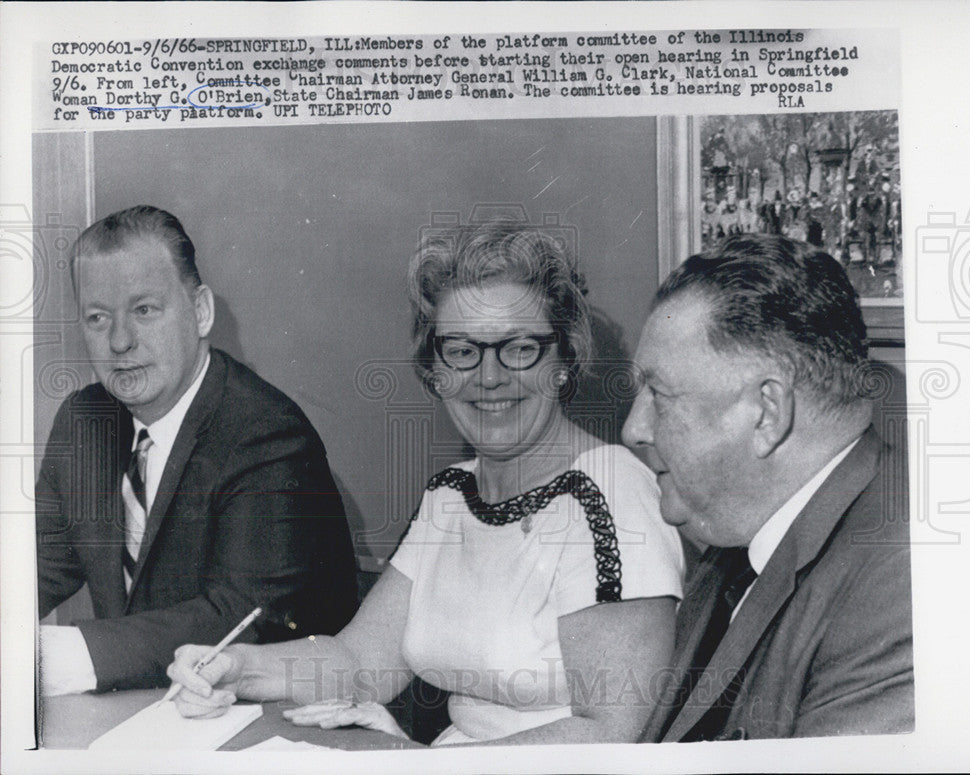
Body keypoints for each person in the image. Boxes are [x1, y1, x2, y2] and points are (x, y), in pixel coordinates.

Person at [167, 222, 685, 745]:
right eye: (461, 350)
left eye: (521, 348)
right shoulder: (452, 494)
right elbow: (361, 662)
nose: (489, 376)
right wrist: (236, 667)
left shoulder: (612, 495)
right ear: (434, 368)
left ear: (564, 360)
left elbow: (612, 733)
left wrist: (425, 766)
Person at [36, 206, 359, 695]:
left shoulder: (266, 434)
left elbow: (243, 616)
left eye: (144, 310)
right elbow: (36, 566)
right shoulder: (85, 421)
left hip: (267, 718)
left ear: (201, 311)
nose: (119, 341)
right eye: (98, 317)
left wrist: (57, 656)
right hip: (139, 711)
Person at [623, 233, 913, 742]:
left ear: (767, 412)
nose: (633, 429)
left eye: (658, 394)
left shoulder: (903, 587)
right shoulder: (735, 545)